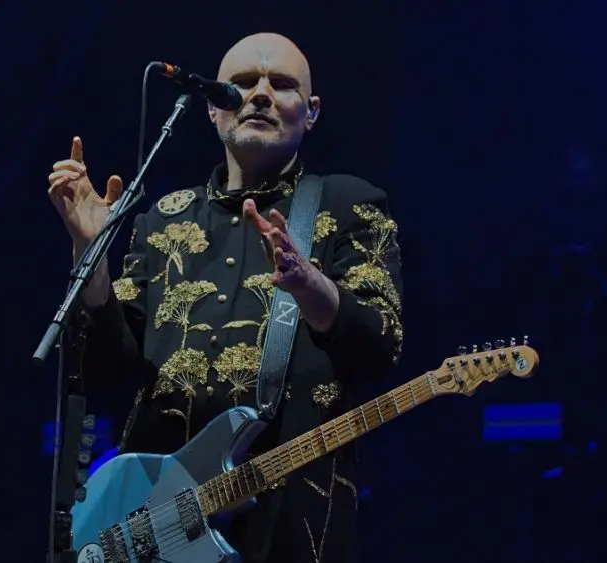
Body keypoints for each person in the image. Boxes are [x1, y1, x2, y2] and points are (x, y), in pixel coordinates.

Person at [47, 32, 403, 563]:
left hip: (286, 523)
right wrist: (89, 251)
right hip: (152, 524)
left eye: (280, 84)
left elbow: (380, 343)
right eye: (241, 84)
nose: (259, 94)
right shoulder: (163, 218)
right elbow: (106, 366)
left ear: (311, 111)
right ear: (214, 110)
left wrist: (309, 284)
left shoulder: (350, 203)